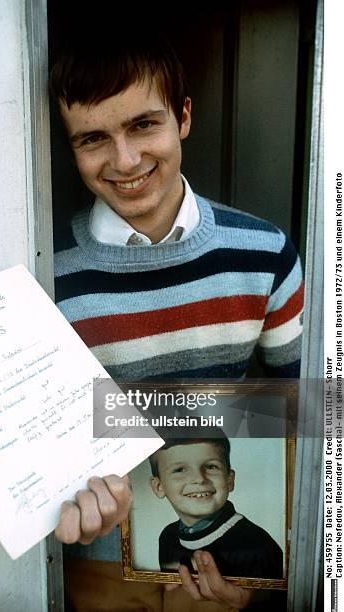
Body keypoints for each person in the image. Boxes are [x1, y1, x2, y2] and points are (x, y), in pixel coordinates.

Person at [49, 30, 303, 611]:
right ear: (71, 148)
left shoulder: (263, 251)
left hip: (233, 565)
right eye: (93, 138)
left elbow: (316, 413)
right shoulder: (46, 272)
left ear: (183, 117)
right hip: (96, 563)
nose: (126, 160)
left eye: (143, 124)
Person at [149, 435, 283, 579]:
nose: (199, 479)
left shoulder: (257, 546)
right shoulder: (168, 537)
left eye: (211, 467)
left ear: (229, 480)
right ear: (159, 486)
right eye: (180, 470)